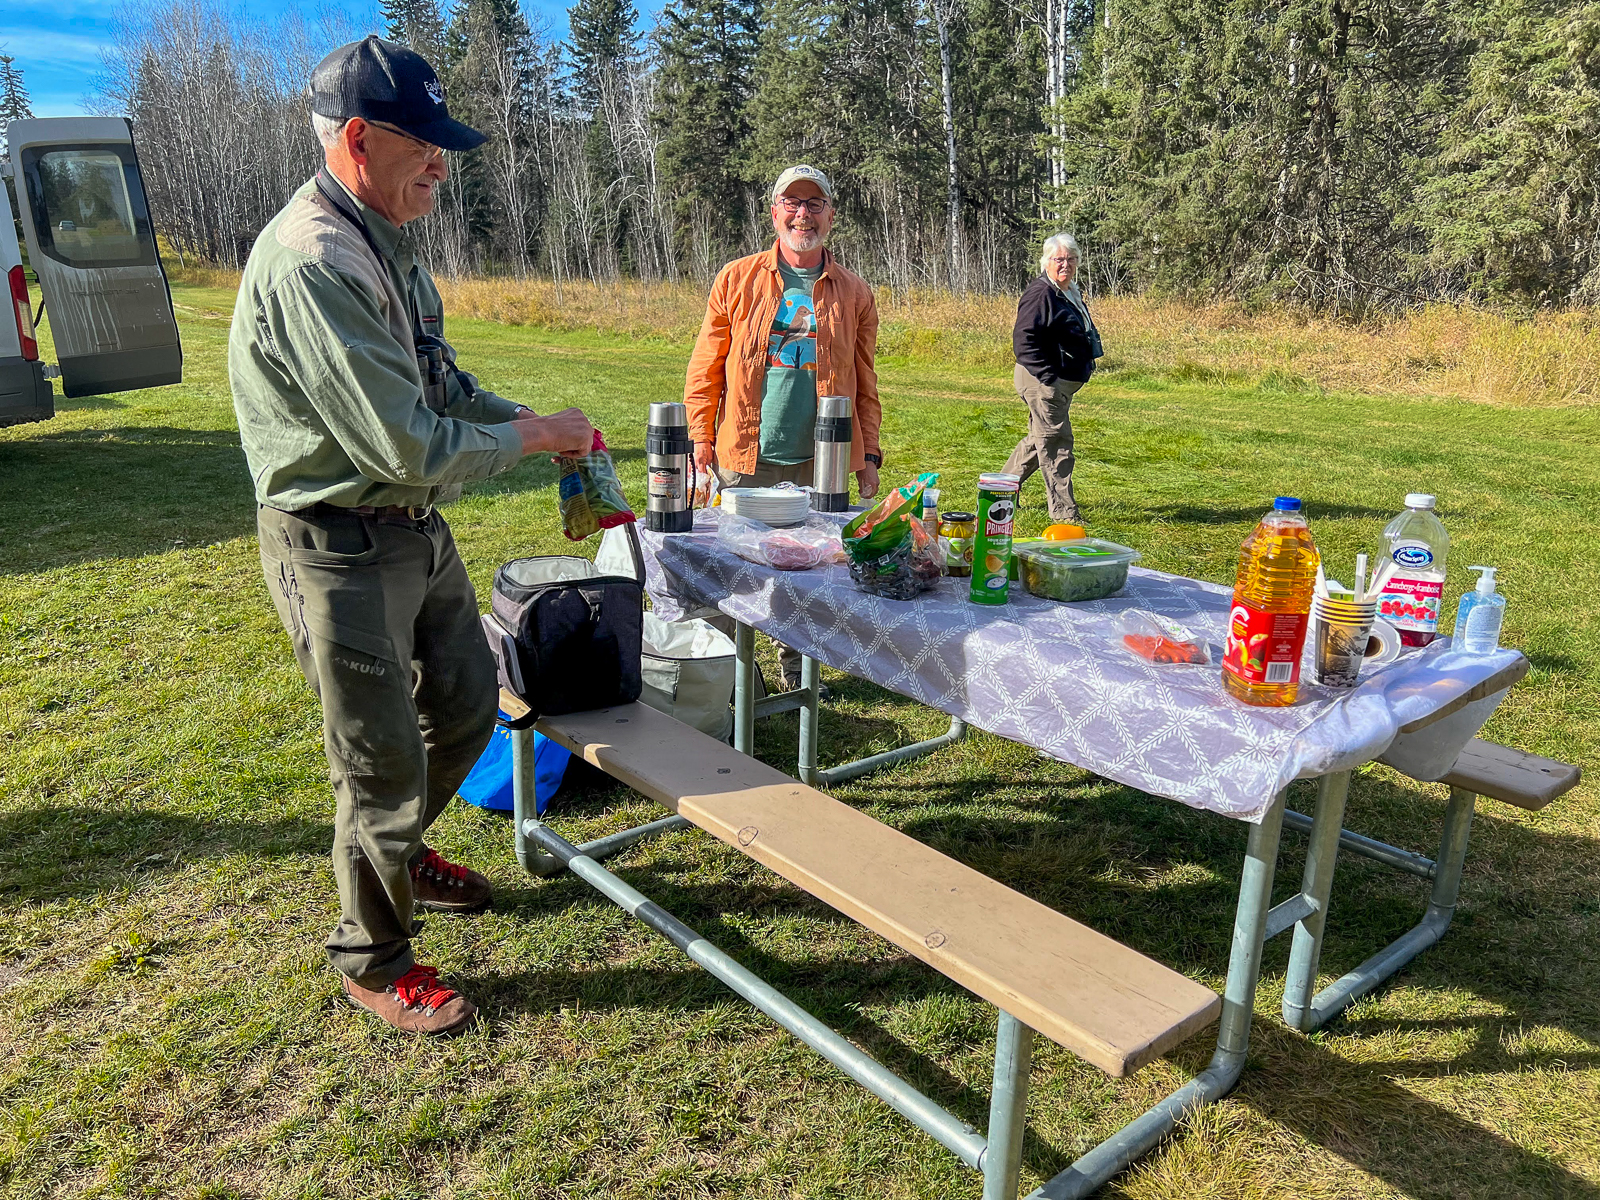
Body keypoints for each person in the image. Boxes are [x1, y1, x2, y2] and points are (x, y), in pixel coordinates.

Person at [228, 35, 595, 1036]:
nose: (442, 162)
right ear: (357, 138)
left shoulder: (383, 238)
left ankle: (400, 851)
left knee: (472, 704)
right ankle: (373, 956)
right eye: (423, 144)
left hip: (409, 528)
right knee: (379, 763)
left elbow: (444, 385)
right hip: (338, 539)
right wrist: (531, 438)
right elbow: (406, 439)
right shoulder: (314, 258)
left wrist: (538, 421)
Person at [683, 164, 883, 692]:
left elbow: (865, 381)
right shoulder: (736, 278)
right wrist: (699, 437)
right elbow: (706, 366)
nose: (803, 214)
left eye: (814, 204)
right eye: (792, 203)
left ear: (831, 215)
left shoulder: (854, 292)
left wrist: (870, 454)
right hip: (745, 455)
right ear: (774, 213)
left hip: (822, 460)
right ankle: (728, 680)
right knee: (728, 565)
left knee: (810, 570)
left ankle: (798, 673)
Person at [1006, 233, 1104, 523]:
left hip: (1058, 381)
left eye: (1071, 259)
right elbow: (1023, 340)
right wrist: (1048, 378)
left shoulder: (1069, 290)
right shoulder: (1041, 294)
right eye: (1059, 259)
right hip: (1041, 380)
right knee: (1057, 443)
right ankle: (1064, 514)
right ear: (1046, 262)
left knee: (1038, 440)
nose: (1065, 265)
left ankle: (999, 490)